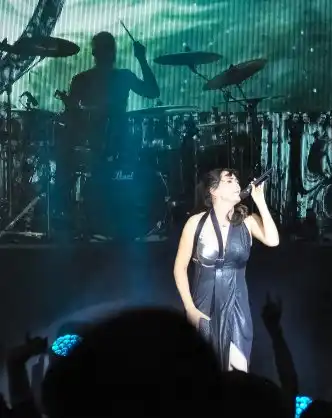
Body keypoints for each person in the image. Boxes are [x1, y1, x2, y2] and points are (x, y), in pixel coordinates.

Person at [173, 168, 280, 372]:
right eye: (229, 181)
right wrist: (190, 309)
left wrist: (260, 202)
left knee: (238, 369)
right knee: (205, 368)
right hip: (205, 303)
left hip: (237, 304)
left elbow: (273, 240)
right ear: (213, 191)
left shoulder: (247, 221)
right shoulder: (195, 223)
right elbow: (180, 268)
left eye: (237, 181)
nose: (237, 184)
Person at [54, 31, 159, 219]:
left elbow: (72, 116)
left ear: (94, 53)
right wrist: (142, 59)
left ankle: (63, 211)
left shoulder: (82, 79)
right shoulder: (122, 76)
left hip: (99, 144)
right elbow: (152, 92)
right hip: (113, 144)